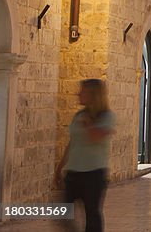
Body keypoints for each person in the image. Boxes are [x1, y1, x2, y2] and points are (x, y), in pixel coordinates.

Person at [54, 79, 115, 232]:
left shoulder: (107, 116)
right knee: (63, 214)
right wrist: (59, 167)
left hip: (93, 175)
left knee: (92, 216)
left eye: (83, 91)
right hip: (74, 172)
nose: (78, 94)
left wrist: (88, 122)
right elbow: (72, 142)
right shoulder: (79, 115)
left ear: (93, 95)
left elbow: (95, 137)